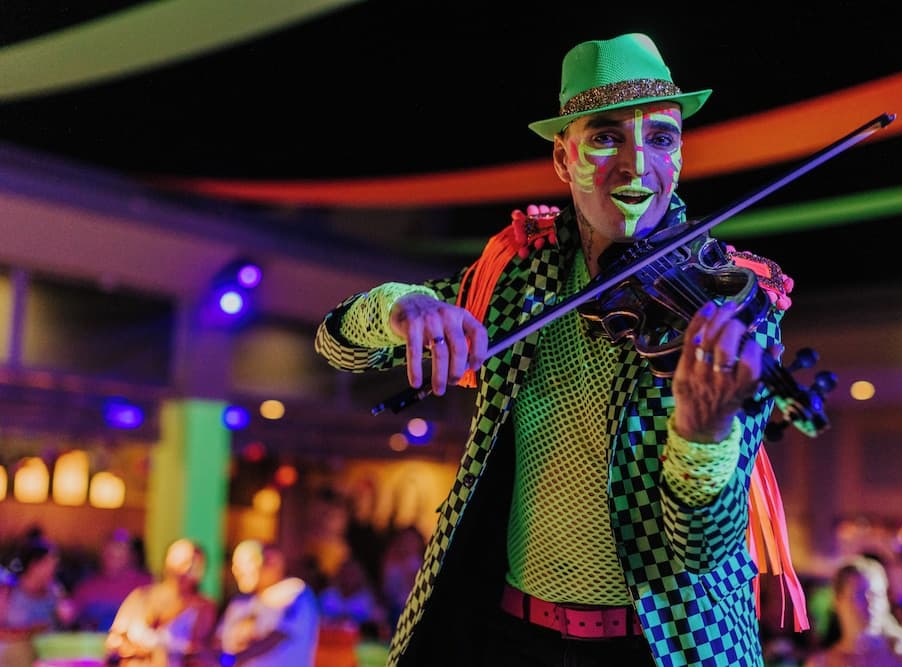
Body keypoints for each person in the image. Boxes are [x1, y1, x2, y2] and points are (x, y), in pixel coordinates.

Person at [315, 32, 805, 667]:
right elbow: (338, 346)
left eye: (661, 138)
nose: (636, 167)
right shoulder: (518, 274)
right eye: (605, 138)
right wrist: (399, 306)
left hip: (665, 647)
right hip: (513, 639)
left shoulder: (729, 303)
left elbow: (703, 549)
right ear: (562, 158)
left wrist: (703, 438)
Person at [104, 537, 217, 666]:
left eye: (193, 564)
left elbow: (202, 651)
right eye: (182, 562)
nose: (186, 569)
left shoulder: (204, 607)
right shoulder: (142, 597)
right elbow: (114, 641)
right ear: (167, 563)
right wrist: (140, 647)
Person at [803, 555, 902, 667]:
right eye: (859, 595)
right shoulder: (822, 663)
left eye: (877, 595)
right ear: (837, 601)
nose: (871, 604)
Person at [211, 540, 319, 667]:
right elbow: (219, 643)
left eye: (244, 563)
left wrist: (229, 660)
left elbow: (274, 639)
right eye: (234, 564)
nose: (236, 570)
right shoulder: (239, 602)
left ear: (271, 562)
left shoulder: (293, 592)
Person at [0, 535, 75, 667]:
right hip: (13, 657)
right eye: (48, 563)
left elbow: (65, 625)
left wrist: (67, 617)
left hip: (47, 655)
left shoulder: (55, 591)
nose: (53, 568)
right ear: (34, 564)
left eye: (55, 564)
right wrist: (30, 632)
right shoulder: (8, 591)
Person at [71, 528, 154, 632]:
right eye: (110, 554)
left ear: (131, 556)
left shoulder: (146, 585)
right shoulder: (86, 587)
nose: (114, 558)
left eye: (119, 553)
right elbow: (71, 616)